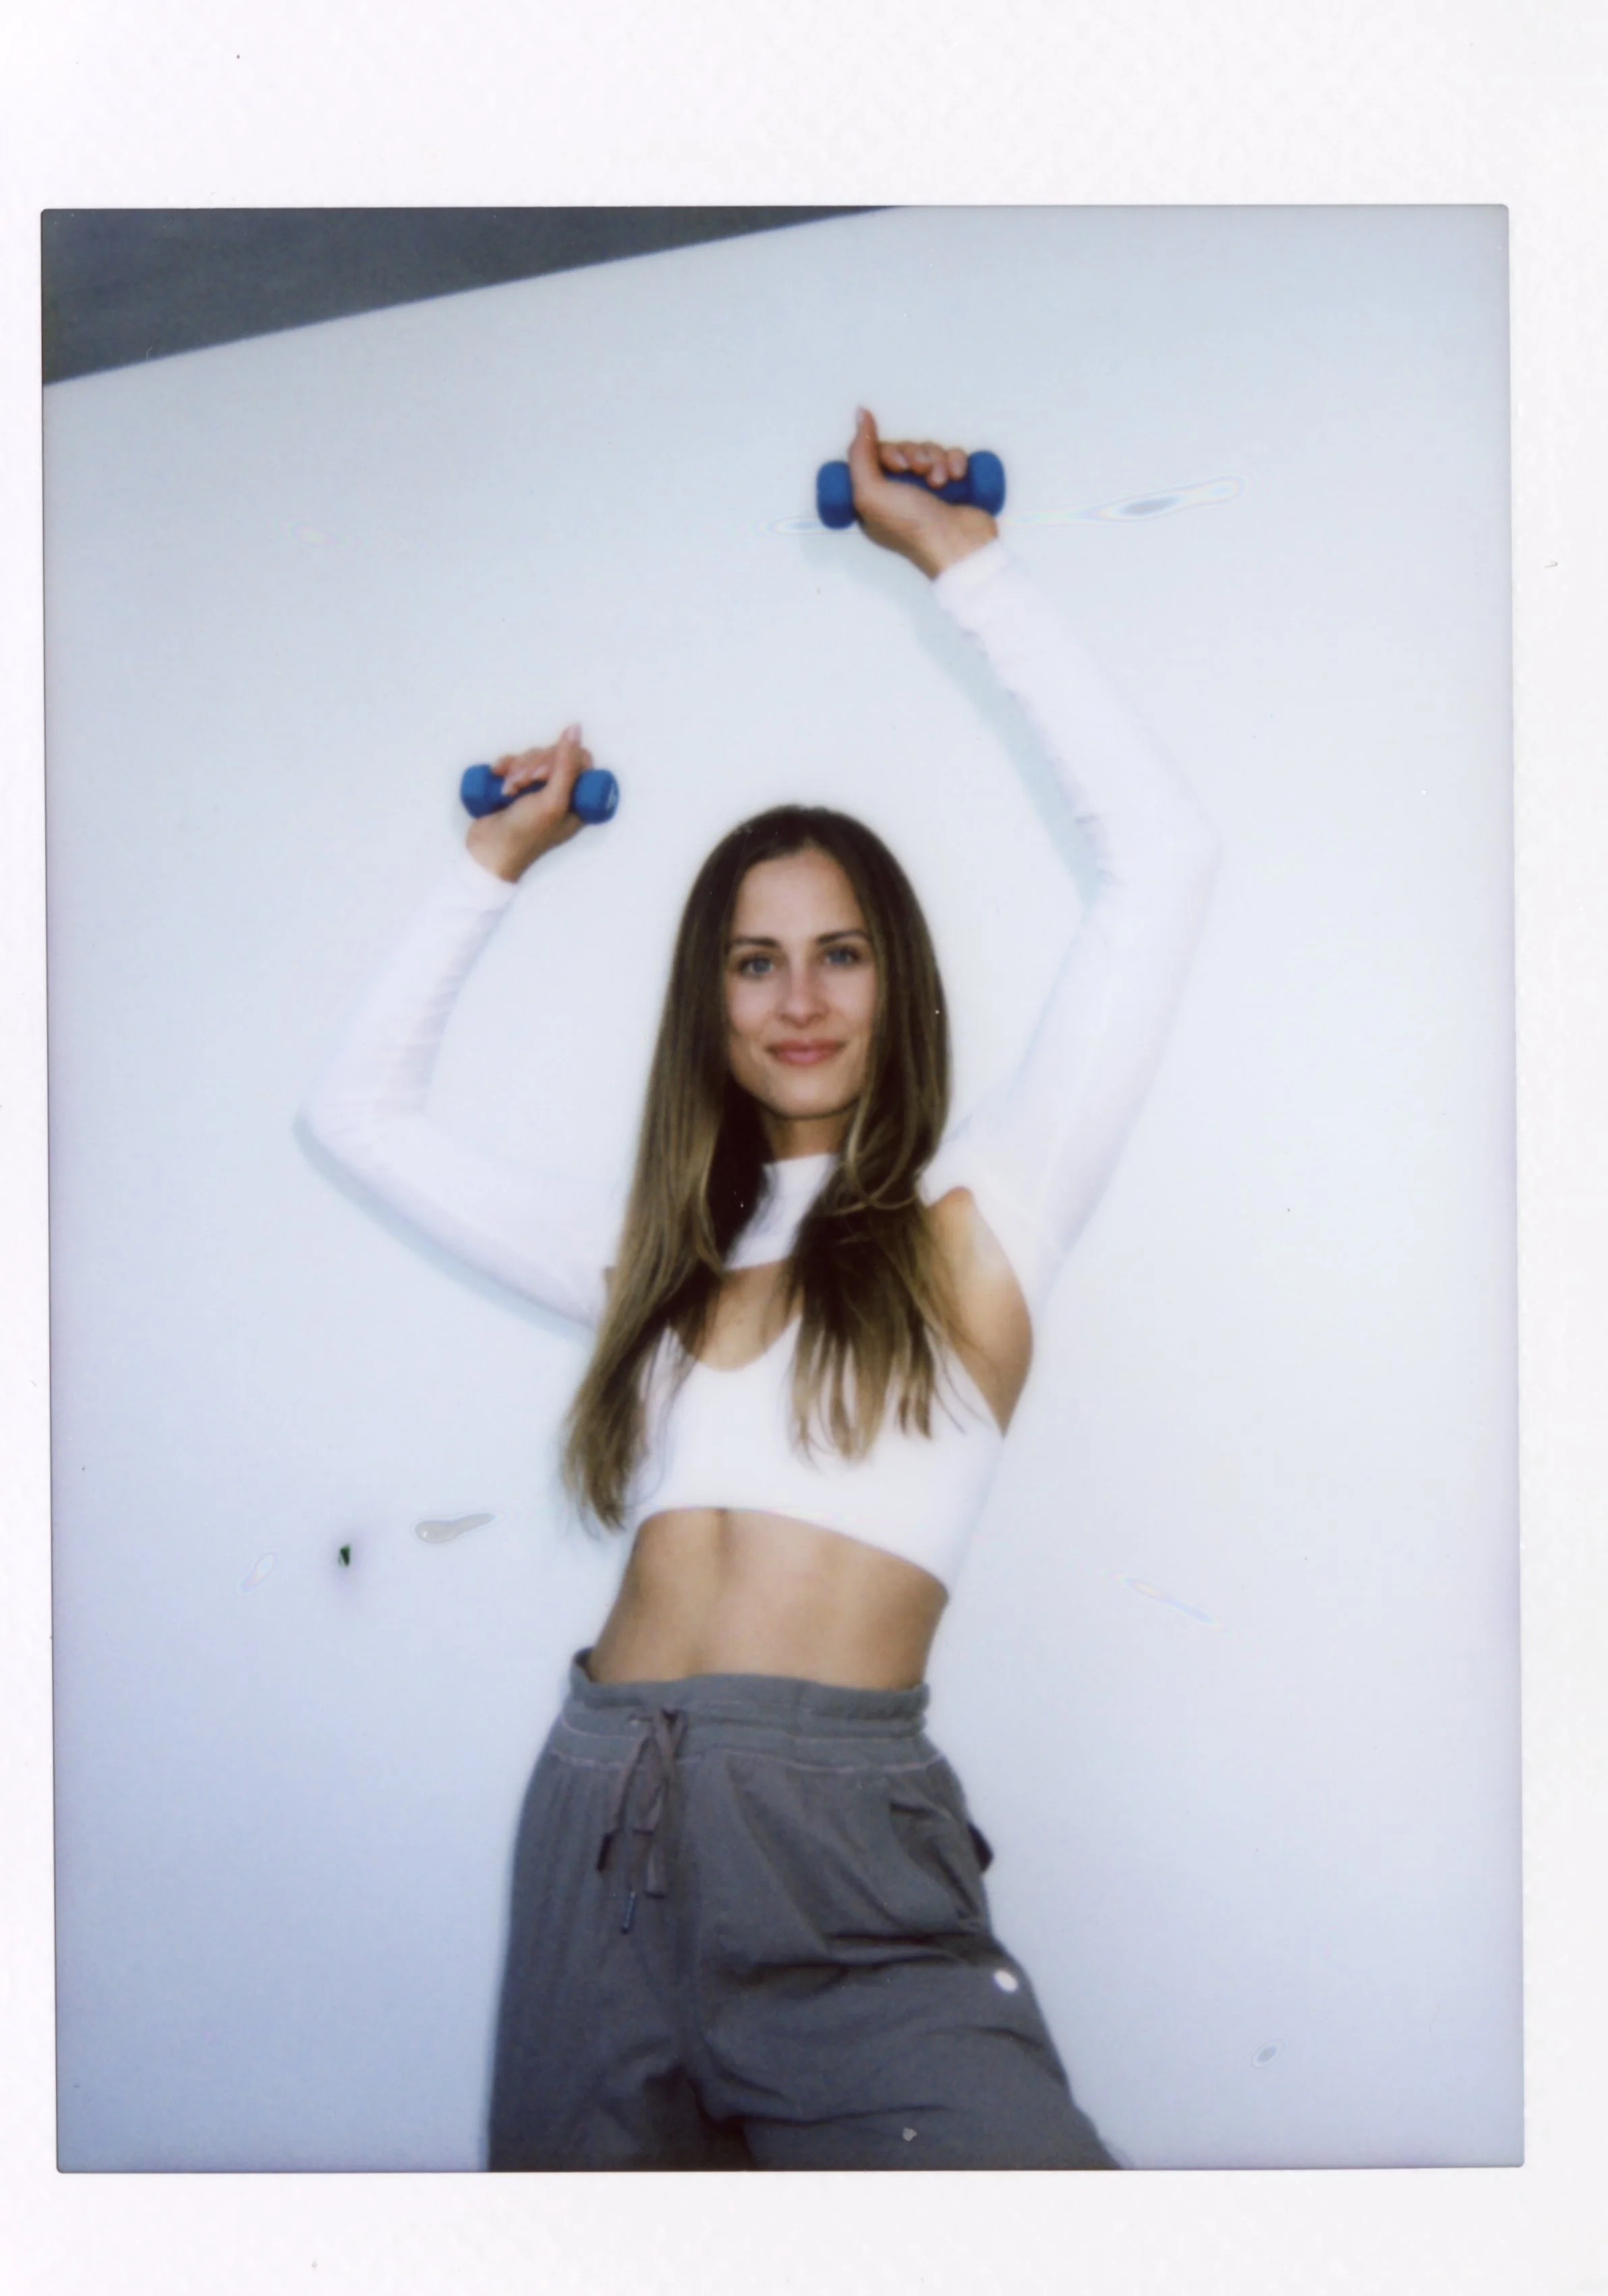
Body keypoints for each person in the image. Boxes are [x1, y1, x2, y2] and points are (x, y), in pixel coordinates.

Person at [303, 409, 1219, 2169]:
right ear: (711, 1006)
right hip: (600, 1834)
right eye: (753, 960)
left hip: (846, 1864)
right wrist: (487, 871)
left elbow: (1160, 865)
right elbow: (359, 1116)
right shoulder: (648, 1263)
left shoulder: (990, 1220)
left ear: (898, 981)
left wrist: (967, 569)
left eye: (840, 952)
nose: (799, 1000)